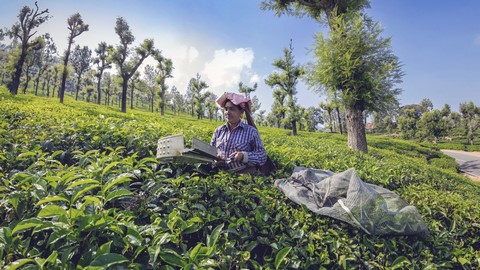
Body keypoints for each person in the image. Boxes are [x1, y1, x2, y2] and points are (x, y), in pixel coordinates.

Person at [211, 92, 267, 174]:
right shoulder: (218, 131)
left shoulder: (251, 132)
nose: (228, 112)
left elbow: (262, 156)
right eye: (226, 109)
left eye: (232, 109)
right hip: (220, 175)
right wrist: (215, 160)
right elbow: (210, 151)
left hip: (242, 175)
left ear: (241, 113)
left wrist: (244, 156)